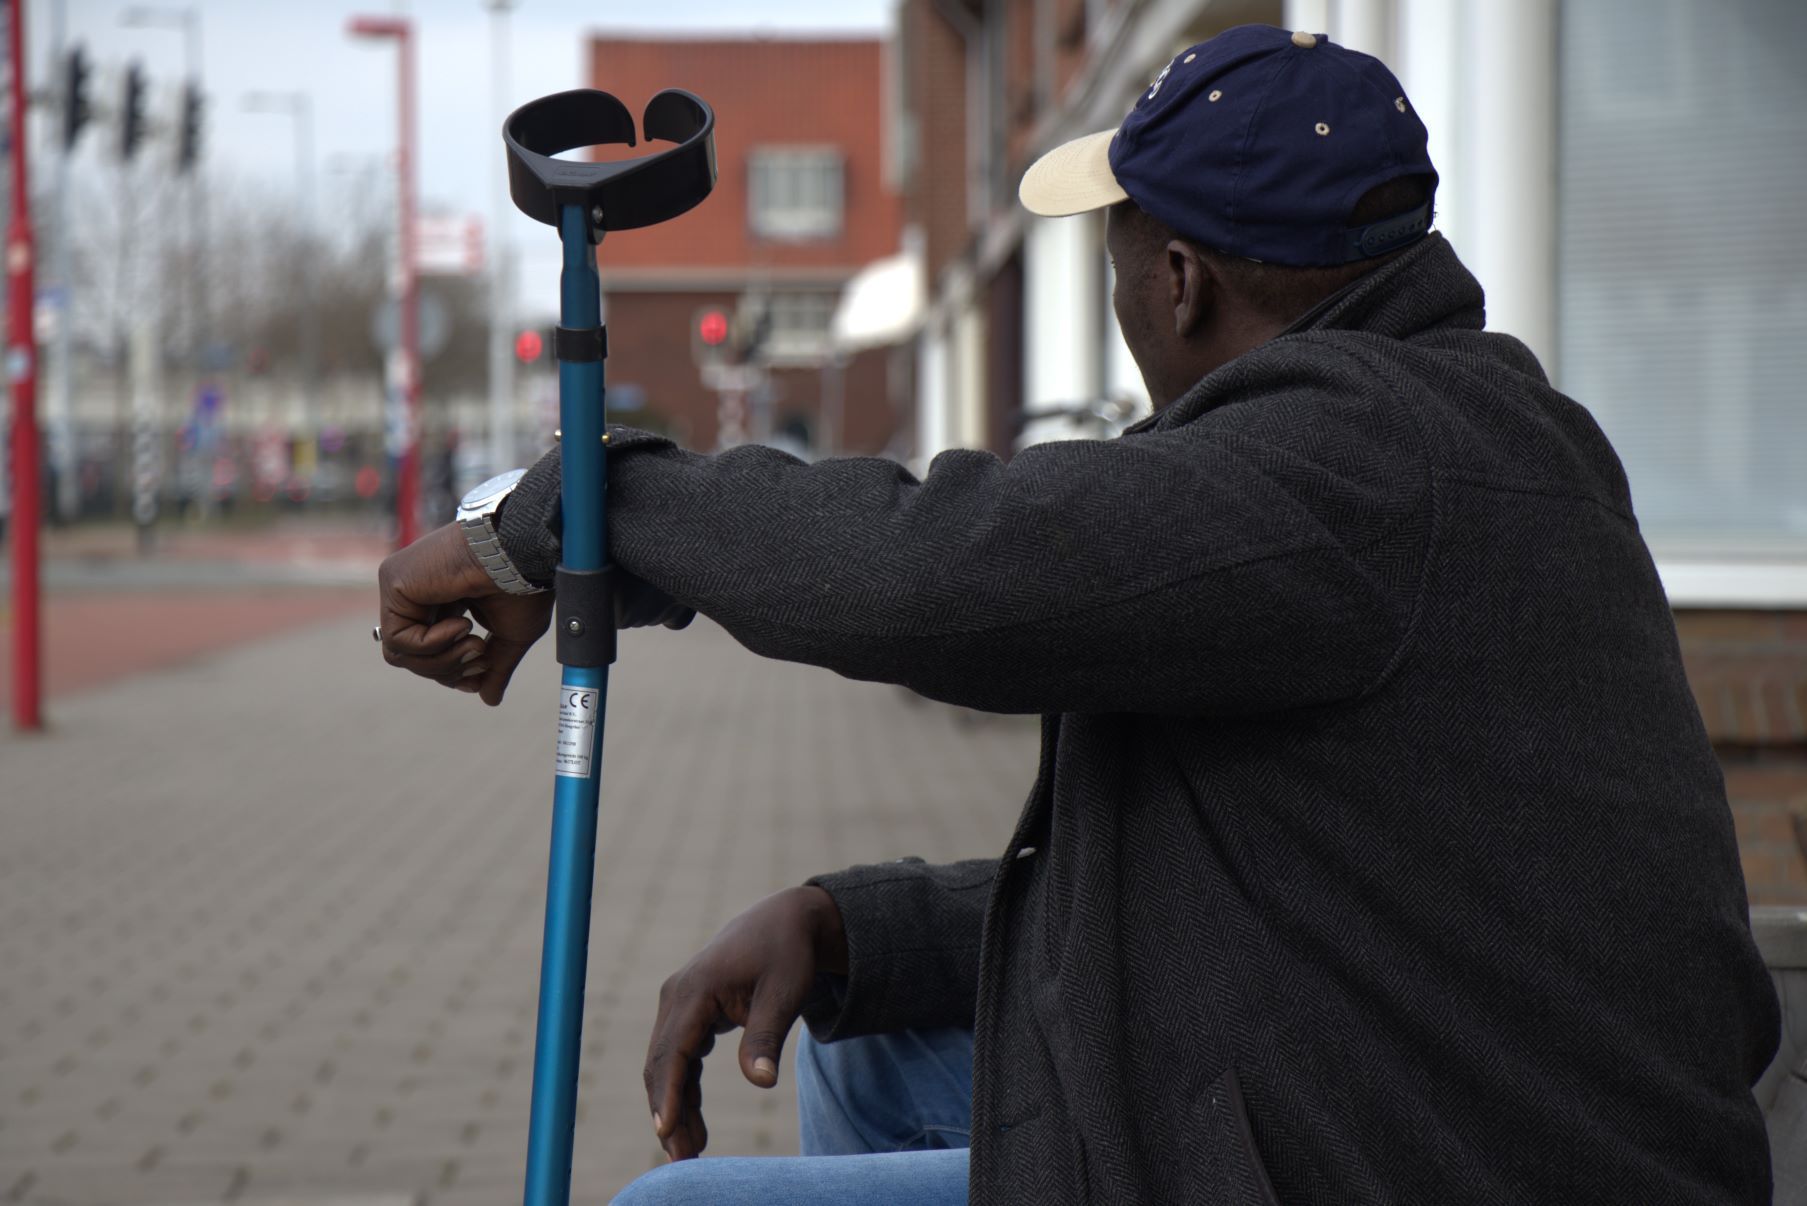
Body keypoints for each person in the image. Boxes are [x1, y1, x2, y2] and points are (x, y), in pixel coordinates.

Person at [375, 24, 1779, 1205]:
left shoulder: (1356, 467)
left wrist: (578, 513)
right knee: (868, 1045)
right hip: (1425, 1089)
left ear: (1179, 281)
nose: (1114, 292)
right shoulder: (1461, 435)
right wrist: (862, 925)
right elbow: (1237, 885)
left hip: (1452, 1158)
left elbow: (934, 569)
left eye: (1116, 250)